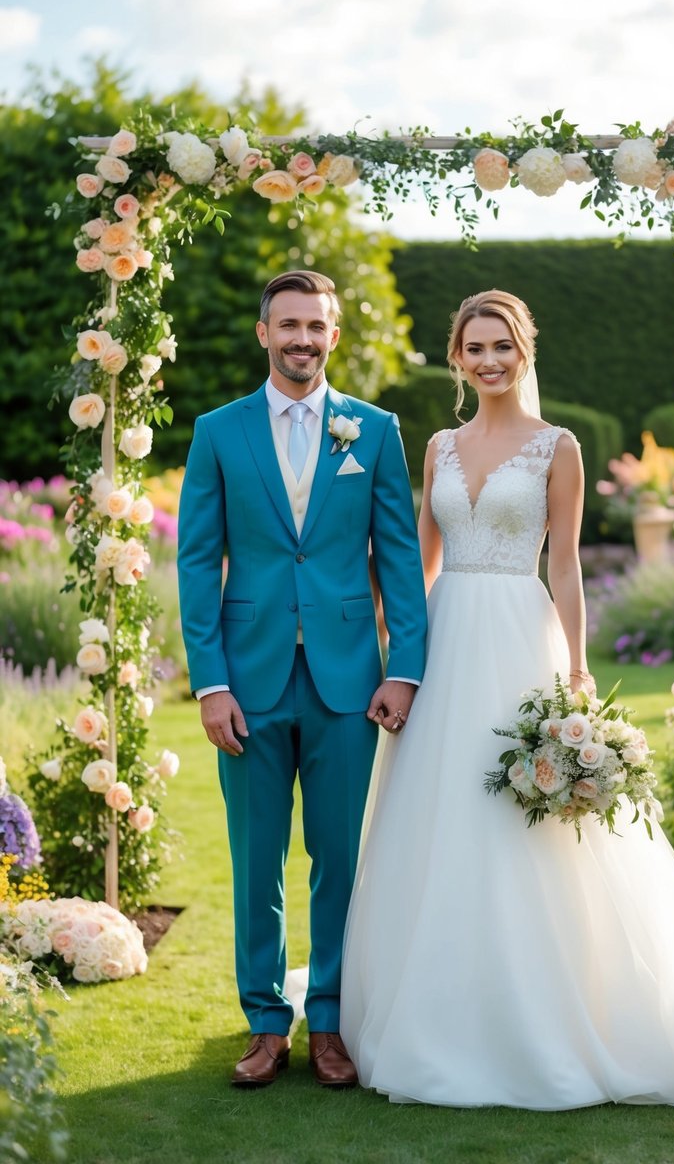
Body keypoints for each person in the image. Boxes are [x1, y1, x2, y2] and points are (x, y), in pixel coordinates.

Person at [340, 288, 674, 1110]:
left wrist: (575, 671)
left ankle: (547, 1010)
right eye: (474, 347)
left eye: (502, 345)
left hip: (516, 638)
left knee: (523, 824)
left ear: (523, 352)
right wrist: (391, 659)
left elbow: (562, 565)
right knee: (431, 817)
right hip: (444, 644)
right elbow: (415, 569)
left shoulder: (555, 447)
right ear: (456, 358)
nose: (488, 359)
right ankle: (432, 1006)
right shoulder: (438, 449)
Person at [177, 270, 428, 1089]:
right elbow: (195, 561)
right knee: (256, 861)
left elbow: (397, 557)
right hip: (246, 683)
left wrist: (405, 669)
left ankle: (329, 1020)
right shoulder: (219, 431)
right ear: (263, 334)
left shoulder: (374, 430)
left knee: (339, 861)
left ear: (333, 335)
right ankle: (262, 1022)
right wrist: (209, 682)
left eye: (315, 327)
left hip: (349, 683)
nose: (302, 340)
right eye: (288, 325)